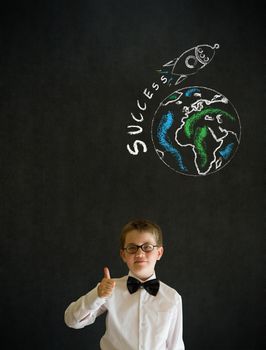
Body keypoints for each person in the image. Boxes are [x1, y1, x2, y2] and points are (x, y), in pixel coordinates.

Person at [64, 219, 185, 350]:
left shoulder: (172, 297)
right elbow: (71, 320)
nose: (139, 253)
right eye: (132, 248)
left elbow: (175, 346)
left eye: (147, 247)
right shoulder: (109, 288)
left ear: (159, 253)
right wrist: (97, 295)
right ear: (123, 255)